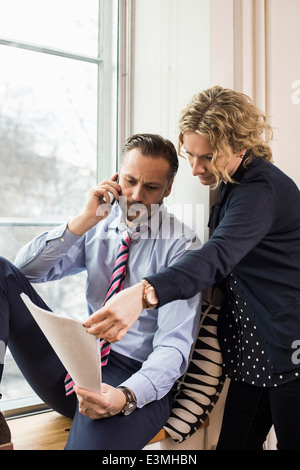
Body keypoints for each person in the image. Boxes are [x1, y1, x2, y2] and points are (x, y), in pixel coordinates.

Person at [84, 86, 300, 450]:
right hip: (255, 346)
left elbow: (218, 255)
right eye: (190, 154)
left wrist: (144, 292)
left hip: (289, 344)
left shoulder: (261, 188)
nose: (196, 168)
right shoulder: (231, 182)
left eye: (208, 157)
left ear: (240, 146)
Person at [0, 134, 201, 450]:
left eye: (150, 187)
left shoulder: (183, 247)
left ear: (169, 188)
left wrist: (125, 396)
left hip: (132, 381)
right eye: (130, 181)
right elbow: (23, 271)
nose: (135, 195)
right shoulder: (99, 223)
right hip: (76, 365)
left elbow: (174, 347)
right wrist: (82, 221)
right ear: (116, 177)